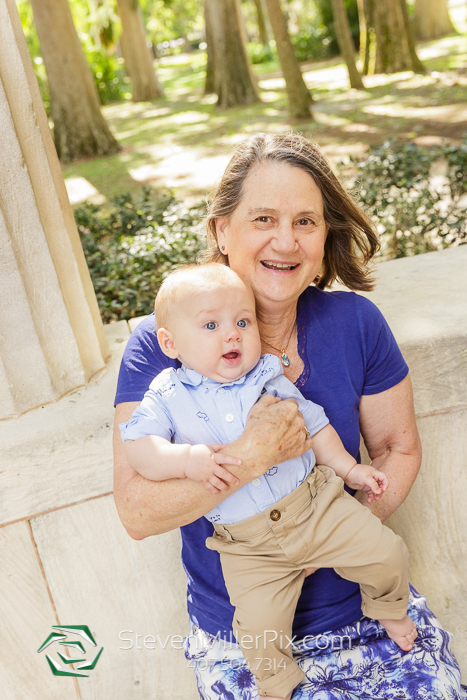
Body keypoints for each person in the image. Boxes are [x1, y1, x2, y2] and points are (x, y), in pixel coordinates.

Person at [113, 133, 466, 699]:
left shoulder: (356, 323)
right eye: (263, 218)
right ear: (221, 230)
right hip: (244, 638)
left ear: (326, 236)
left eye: (306, 221)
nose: (286, 240)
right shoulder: (163, 346)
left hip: (363, 611)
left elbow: (398, 449)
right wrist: (253, 457)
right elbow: (136, 511)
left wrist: (324, 541)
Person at [119, 263, 417, 700]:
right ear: (170, 343)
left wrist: (351, 471)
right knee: (258, 625)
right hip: (248, 544)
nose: (233, 334)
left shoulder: (264, 375)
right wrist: (184, 461)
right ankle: (275, 684)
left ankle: (388, 609)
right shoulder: (166, 395)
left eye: (243, 321)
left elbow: (313, 427)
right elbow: (139, 448)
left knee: (386, 551)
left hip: (315, 507)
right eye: (211, 325)